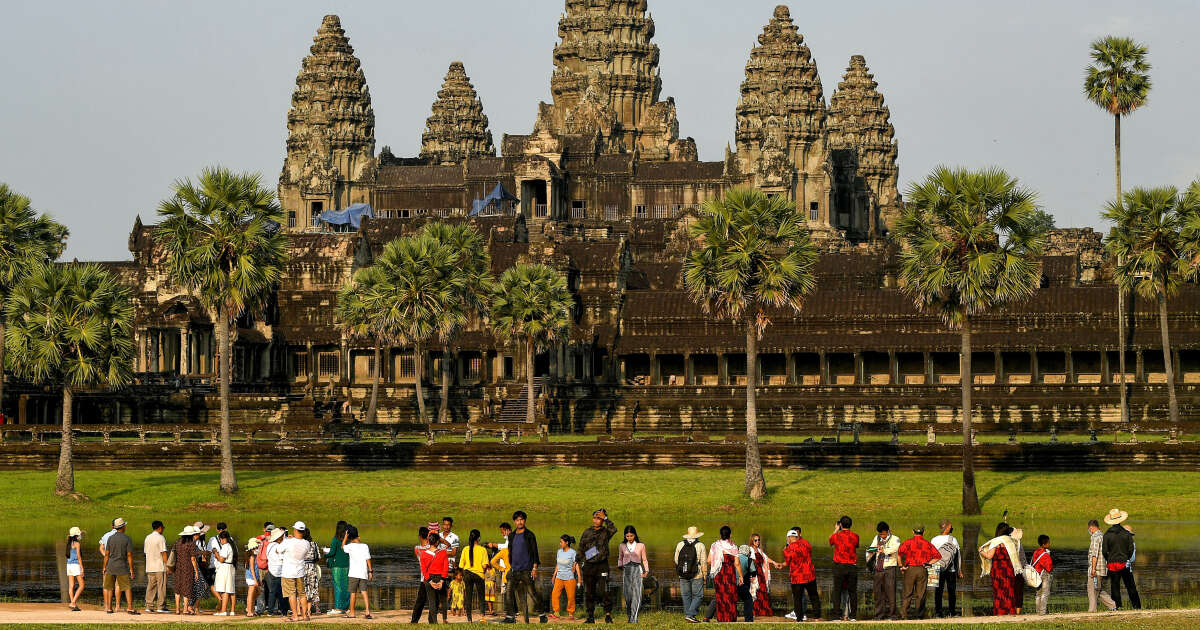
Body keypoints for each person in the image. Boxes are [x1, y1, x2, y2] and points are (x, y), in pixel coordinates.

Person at [501, 510, 548, 624]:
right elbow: (510, 552)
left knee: (533, 594)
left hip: (527, 570)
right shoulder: (511, 536)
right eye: (517, 520)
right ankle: (510, 617)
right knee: (508, 593)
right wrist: (510, 567)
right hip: (514, 570)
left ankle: (542, 615)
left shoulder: (529, 535)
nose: (520, 522)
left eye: (521, 519)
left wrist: (535, 568)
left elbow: (534, 552)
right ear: (514, 522)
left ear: (525, 520)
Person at [579, 508, 617, 624]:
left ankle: (608, 615)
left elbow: (614, 529)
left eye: (599, 518)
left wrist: (606, 518)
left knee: (604, 591)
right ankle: (590, 616)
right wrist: (579, 561)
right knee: (589, 592)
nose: (596, 520)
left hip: (602, 565)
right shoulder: (587, 532)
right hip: (589, 566)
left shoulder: (606, 532)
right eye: (595, 517)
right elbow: (581, 548)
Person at [978, 522, 1022, 616]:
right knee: (1009, 591)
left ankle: (1000, 612)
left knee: (999, 592)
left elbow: (989, 556)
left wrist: (981, 551)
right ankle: (1010, 611)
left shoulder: (995, 542)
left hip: (998, 571)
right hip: (1009, 570)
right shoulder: (1011, 542)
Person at [1101, 508, 1141, 610]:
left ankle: (1117, 606)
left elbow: (1104, 551)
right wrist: (1126, 557)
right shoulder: (1127, 534)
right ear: (1121, 520)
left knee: (1115, 586)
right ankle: (1136, 606)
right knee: (1130, 586)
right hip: (1124, 562)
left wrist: (1109, 558)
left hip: (1112, 563)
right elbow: (1131, 549)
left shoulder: (1107, 535)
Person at [897, 525, 939, 619]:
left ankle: (904, 615)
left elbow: (899, 554)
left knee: (907, 593)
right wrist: (928, 563)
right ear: (924, 532)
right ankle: (919, 616)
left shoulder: (908, 542)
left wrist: (901, 566)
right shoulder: (927, 543)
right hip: (922, 569)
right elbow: (937, 556)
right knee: (921, 594)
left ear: (913, 532)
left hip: (910, 569)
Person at [703, 525, 743, 623]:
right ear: (730, 535)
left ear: (720, 534)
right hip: (730, 574)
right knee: (731, 595)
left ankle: (721, 618)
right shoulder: (733, 546)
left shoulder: (715, 545)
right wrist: (741, 576)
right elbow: (737, 563)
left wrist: (717, 560)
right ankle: (731, 618)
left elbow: (708, 560)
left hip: (719, 574)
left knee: (720, 595)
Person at [783, 527, 821, 622]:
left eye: (787, 538)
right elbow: (809, 552)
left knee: (797, 599)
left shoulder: (788, 549)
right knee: (814, 596)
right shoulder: (806, 543)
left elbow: (788, 561)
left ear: (790, 538)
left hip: (797, 577)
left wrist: (787, 547)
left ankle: (799, 619)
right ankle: (817, 618)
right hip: (810, 575)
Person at [102, 517, 138, 615]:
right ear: (123, 527)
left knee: (109, 587)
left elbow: (106, 554)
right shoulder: (127, 539)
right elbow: (129, 555)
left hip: (110, 566)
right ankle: (130, 608)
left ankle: (109, 608)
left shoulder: (110, 538)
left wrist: (104, 567)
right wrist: (131, 569)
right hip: (122, 566)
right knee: (127, 587)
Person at [866, 521, 901, 620]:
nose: (882, 536)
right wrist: (872, 550)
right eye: (880, 534)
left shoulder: (895, 539)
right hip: (878, 568)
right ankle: (879, 615)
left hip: (889, 568)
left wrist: (884, 550)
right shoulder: (876, 538)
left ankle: (893, 615)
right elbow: (872, 548)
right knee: (878, 593)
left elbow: (896, 548)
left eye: (884, 534)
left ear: (888, 531)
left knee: (891, 592)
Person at [674, 526, 707, 623]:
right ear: (697, 535)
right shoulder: (700, 545)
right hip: (697, 573)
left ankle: (689, 616)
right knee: (698, 595)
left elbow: (676, 559)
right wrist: (705, 574)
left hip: (682, 574)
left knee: (686, 595)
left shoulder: (680, 544)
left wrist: (682, 569)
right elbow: (703, 561)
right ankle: (690, 615)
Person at [828, 515, 859, 621]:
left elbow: (830, 541)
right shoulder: (855, 536)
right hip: (851, 566)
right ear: (851, 524)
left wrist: (836, 529)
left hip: (839, 566)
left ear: (841, 524)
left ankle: (836, 615)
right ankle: (853, 616)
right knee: (852, 592)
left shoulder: (837, 536)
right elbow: (856, 545)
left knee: (837, 591)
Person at [279, 522, 312, 621]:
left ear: (295, 530)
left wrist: (285, 540)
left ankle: (295, 616)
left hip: (288, 572)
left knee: (291, 594)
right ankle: (305, 615)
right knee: (302, 593)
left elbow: (279, 549)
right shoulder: (307, 543)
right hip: (300, 571)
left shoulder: (288, 541)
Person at [930, 519, 962, 618]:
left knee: (938, 591)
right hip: (950, 569)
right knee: (952, 591)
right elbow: (958, 556)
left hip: (936, 567)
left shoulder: (934, 540)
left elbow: (931, 555)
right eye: (950, 526)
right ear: (947, 527)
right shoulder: (953, 539)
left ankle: (938, 613)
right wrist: (959, 570)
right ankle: (952, 612)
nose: (952, 528)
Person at [618, 526, 649, 623]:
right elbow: (620, 558)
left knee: (637, 594)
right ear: (625, 536)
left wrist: (646, 571)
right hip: (627, 570)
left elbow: (644, 559)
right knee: (627, 595)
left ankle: (634, 618)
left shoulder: (641, 545)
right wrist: (620, 565)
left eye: (631, 536)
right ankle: (629, 616)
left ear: (634, 535)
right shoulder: (622, 545)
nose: (629, 538)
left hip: (637, 569)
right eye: (627, 536)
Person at [459, 529, 490, 623]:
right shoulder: (483, 550)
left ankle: (469, 620)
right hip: (479, 575)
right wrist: (482, 571)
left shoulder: (465, 549)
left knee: (468, 596)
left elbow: (461, 565)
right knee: (481, 596)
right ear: (479, 538)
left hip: (467, 574)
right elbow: (485, 565)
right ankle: (482, 617)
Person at [1086, 519, 1117, 612]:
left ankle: (1092, 610)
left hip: (1096, 568)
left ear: (1091, 528)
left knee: (1091, 589)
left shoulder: (1095, 538)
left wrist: (1093, 569)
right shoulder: (1103, 536)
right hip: (1103, 568)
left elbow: (1094, 555)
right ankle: (1112, 605)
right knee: (1098, 589)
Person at [748, 533, 781, 618]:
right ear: (752, 541)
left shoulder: (759, 551)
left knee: (763, 591)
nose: (757, 542)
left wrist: (774, 562)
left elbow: (766, 559)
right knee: (755, 592)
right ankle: (755, 612)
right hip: (754, 574)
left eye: (758, 540)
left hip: (761, 574)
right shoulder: (750, 550)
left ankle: (764, 612)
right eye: (755, 540)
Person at [344, 525, 374, 619]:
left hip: (353, 574)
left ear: (349, 537)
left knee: (353, 593)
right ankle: (367, 612)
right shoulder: (365, 546)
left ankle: (352, 613)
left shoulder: (350, 546)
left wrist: (345, 537)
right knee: (364, 592)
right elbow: (368, 559)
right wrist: (370, 571)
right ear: (358, 536)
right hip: (363, 573)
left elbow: (343, 546)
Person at [421, 532, 450, 624]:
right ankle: (444, 620)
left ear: (429, 541)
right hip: (440, 577)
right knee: (443, 600)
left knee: (432, 602)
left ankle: (434, 622)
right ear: (437, 542)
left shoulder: (423, 554)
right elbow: (446, 568)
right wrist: (442, 580)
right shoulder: (443, 553)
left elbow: (423, 570)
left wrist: (430, 581)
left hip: (429, 578)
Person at [551, 534, 581, 620]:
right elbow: (558, 564)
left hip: (569, 578)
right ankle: (556, 613)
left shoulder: (573, 552)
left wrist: (579, 578)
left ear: (567, 543)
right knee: (555, 595)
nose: (560, 544)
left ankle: (571, 614)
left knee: (571, 597)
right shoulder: (559, 552)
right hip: (559, 577)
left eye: (561, 542)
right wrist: (554, 575)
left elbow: (576, 565)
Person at [172, 525, 201, 615]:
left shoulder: (178, 542)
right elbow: (193, 559)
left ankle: (177, 609)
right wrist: (196, 571)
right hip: (187, 568)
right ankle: (185, 609)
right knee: (187, 588)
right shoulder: (191, 544)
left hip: (178, 567)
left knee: (177, 589)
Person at [142, 521, 169, 614]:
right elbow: (163, 553)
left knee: (150, 587)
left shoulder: (147, 537)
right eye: (163, 528)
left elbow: (146, 552)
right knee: (161, 587)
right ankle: (161, 606)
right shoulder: (161, 538)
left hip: (149, 566)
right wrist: (168, 566)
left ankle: (149, 606)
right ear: (160, 528)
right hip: (160, 567)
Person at [326, 521, 350, 615]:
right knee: (346, 586)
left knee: (337, 587)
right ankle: (346, 607)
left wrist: (325, 555)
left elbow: (332, 553)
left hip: (337, 566)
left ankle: (338, 608)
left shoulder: (335, 539)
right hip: (347, 565)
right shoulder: (348, 540)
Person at [410, 526, 433, 623]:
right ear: (428, 536)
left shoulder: (417, 549)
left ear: (419, 536)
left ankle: (414, 621)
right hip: (433, 576)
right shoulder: (432, 548)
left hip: (423, 578)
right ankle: (431, 620)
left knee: (420, 601)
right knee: (433, 601)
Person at [213, 530, 238, 616]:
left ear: (223, 539)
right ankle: (232, 611)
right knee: (231, 590)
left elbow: (221, 559)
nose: (220, 541)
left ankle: (223, 610)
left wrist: (215, 553)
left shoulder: (225, 546)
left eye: (220, 539)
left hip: (225, 568)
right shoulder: (233, 546)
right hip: (231, 567)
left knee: (225, 590)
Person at [300, 524, 323, 615]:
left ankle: (302, 610)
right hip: (312, 567)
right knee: (313, 588)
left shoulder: (300, 544)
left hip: (302, 567)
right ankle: (309, 610)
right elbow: (318, 557)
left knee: (303, 588)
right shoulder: (313, 544)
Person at [265, 526, 288, 616]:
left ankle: (270, 611)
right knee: (282, 593)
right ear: (278, 538)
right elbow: (282, 558)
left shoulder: (269, 546)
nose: (283, 537)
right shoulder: (278, 547)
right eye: (281, 536)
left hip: (271, 571)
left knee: (272, 592)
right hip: (279, 572)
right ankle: (284, 611)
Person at [254, 522, 275, 614]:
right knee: (271, 589)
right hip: (269, 567)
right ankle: (273, 608)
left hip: (262, 567)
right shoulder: (274, 541)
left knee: (262, 589)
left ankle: (260, 609)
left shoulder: (260, 539)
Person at [1031, 534, 1053, 615]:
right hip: (1045, 575)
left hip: (1037, 575)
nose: (1049, 544)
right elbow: (1049, 567)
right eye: (1048, 542)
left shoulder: (1036, 552)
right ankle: (1042, 612)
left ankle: (1038, 611)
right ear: (1044, 544)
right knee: (1045, 593)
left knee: (1038, 594)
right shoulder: (1045, 554)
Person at [65, 526, 85, 612]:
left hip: (69, 565)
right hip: (75, 565)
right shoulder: (77, 544)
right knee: (82, 585)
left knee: (71, 586)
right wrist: (82, 568)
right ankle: (73, 603)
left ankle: (73, 604)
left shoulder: (69, 543)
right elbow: (79, 557)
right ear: (76, 535)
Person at [245, 538, 262, 618]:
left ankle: (250, 607)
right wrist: (255, 580)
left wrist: (258, 579)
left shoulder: (254, 556)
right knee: (250, 595)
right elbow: (252, 569)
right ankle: (249, 611)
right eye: (255, 548)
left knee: (258, 593)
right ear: (251, 549)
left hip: (254, 577)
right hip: (251, 578)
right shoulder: (251, 557)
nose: (257, 549)